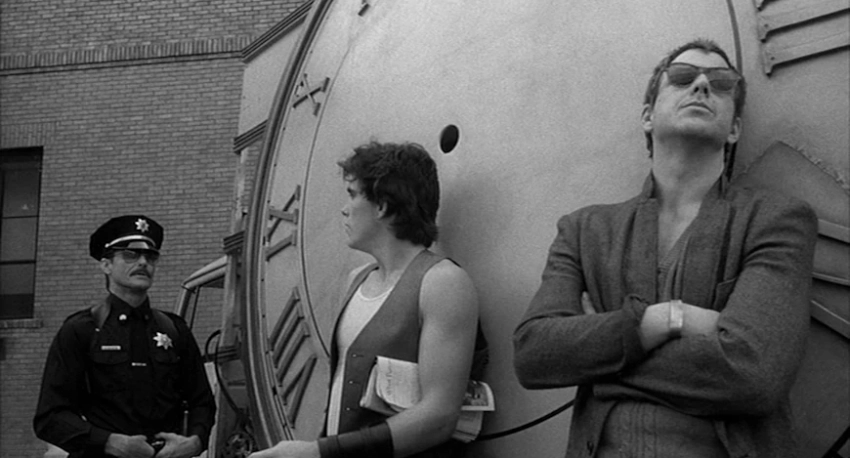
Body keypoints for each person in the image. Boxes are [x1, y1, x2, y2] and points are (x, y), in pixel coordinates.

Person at [513, 39, 817, 457]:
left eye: (721, 82)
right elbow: (534, 354)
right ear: (647, 117)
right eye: (682, 77)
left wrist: (600, 360)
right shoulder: (584, 230)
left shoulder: (776, 219)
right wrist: (664, 320)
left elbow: (754, 373)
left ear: (734, 129)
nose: (702, 85)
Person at [249, 141, 480, 458]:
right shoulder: (356, 280)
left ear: (382, 205)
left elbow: (439, 417)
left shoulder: (443, 283)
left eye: (353, 194)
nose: (345, 209)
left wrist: (317, 453)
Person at [34, 215, 216, 458]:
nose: (143, 262)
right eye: (130, 255)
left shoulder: (174, 329)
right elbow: (50, 417)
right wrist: (108, 442)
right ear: (106, 265)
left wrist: (195, 441)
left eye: (150, 257)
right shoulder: (81, 330)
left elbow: (202, 402)